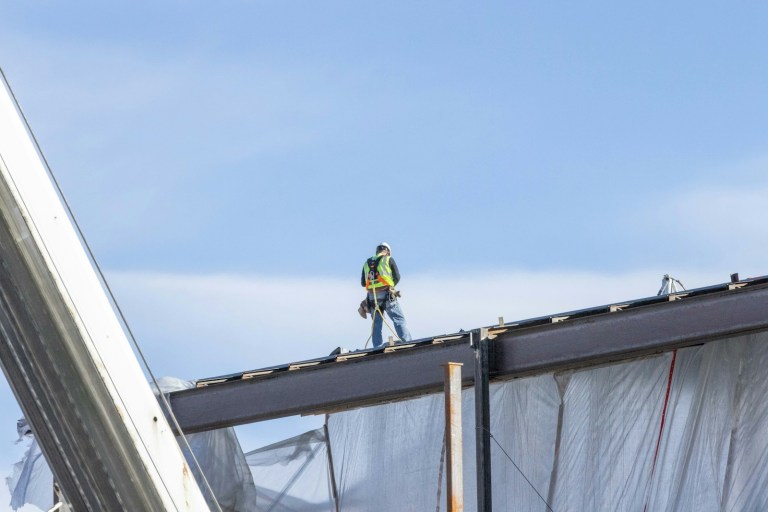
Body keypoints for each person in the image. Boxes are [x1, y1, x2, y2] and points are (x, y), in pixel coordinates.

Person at [361, 242, 412, 348]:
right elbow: (397, 277)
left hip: (372, 297)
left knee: (376, 324)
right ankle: (407, 342)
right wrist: (391, 286)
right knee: (398, 319)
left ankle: (377, 347)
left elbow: (362, 283)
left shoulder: (367, 263)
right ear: (388, 251)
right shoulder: (388, 259)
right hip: (387, 294)